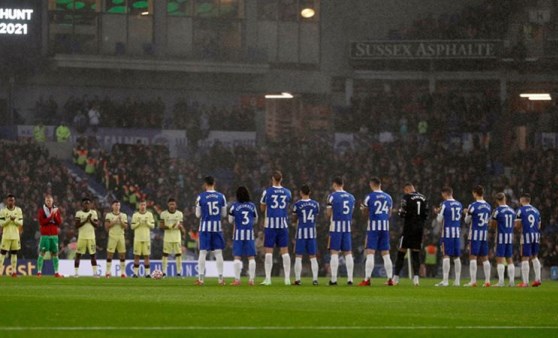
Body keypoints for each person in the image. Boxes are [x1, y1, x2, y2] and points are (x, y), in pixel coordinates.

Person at [358, 177, 394, 286]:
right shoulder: (389, 197)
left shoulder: (369, 197)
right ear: (380, 184)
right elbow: (390, 214)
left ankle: (367, 279)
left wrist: (362, 210)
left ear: (371, 184)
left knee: (370, 252)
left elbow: (365, 214)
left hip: (373, 227)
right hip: (385, 227)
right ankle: (389, 279)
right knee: (386, 253)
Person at [260, 171, 292, 286]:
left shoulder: (267, 192)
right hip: (283, 224)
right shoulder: (287, 192)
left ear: (272, 179)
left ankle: (268, 279)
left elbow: (262, 209)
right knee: (284, 251)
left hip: (270, 225)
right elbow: (287, 205)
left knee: (269, 250)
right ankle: (287, 279)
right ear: (281, 179)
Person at [393, 183, 429, 286]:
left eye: (405, 190)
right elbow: (426, 214)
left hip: (408, 228)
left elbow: (402, 213)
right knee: (415, 254)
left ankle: (395, 278)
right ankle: (416, 279)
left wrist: (399, 212)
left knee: (401, 252)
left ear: (407, 189)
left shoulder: (407, 197)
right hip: (419, 229)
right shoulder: (423, 197)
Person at [195, 176, 227, 285]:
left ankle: (201, 279)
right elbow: (224, 214)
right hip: (217, 228)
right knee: (218, 252)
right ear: (214, 183)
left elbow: (197, 214)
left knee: (203, 252)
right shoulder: (221, 196)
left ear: (205, 184)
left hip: (204, 228)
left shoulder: (201, 197)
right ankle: (220, 279)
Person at [327, 176, 355, 286]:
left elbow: (329, 213)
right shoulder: (351, 197)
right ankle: (350, 279)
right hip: (347, 228)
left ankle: (333, 279)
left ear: (334, 184)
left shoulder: (332, 196)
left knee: (334, 252)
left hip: (335, 228)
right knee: (348, 253)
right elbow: (351, 213)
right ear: (342, 184)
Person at [228, 186, 258, 286]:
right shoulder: (252, 206)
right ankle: (251, 280)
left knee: (237, 257)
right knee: (251, 257)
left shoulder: (234, 206)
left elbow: (230, 220)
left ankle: (237, 280)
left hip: (238, 234)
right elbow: (256, 219)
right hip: (249, 234)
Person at [463, 185, 492, 287]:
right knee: (485, 258)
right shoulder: (488, 206)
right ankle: (487, 281)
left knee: (473, 257)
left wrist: (466, 213)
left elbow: (467, 221)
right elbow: (489, 221)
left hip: (475, 234)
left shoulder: (473, 205)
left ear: (475, 193)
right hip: (484, 234)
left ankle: (473, 281)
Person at [291, 184, 320, 286]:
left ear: (301, 193)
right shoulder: (316, 204)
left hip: (301, 233)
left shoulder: (297, 204)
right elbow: (316, 217)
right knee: (313, 257)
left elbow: (294, 219)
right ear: (310, 193)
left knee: (298, 256)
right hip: (312, 233)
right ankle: (315, 280)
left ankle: (298, 280)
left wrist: (295, 220)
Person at [434, 187, 463, 287]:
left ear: (445, 193)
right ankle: (457, 281)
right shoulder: (459, 204)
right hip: (457, 233)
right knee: (456, 256)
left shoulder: (444, 204)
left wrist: (438, 213)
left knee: (446, 255)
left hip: (447, 233)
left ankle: (445, 281)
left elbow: (439, 220)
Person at [515, 193, 542, 287]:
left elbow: (517, 226)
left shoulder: (520, 210)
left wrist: (519, 227)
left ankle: (525, 282)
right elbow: (539, 225)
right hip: (536, 235)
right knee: (535, 256)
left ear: (522, 200)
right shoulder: (536, 211)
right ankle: (538, 279)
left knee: (525, 258)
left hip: (526, 235)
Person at [490, 192, 516, 287]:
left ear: (497, 201)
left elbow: (493, 225)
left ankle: (501, 282)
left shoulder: (497, 211)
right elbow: (515, 224)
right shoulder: (512, 211)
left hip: (501, 237)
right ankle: (512, 281)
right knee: (509, 259)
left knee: (500, 259)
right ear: (505, 198)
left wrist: (491, 224)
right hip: (509, 237)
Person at [37, 195, 63, 277]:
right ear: (45, 201)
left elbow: (59, 222)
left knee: (55, 253)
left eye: (50, 201)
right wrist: (50, 217)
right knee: (42, 253)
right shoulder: (41, 211)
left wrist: (54, 216)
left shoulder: (56, 210)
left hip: (54, 235)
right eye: (47, 201)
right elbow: (42, 222)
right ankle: (39, 272)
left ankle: (56, 272)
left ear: (52, 201)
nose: (49, 202)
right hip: (45, 235)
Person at [74, 197, 99, 277]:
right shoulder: (78, 213)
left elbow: (96, 225)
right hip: (82, 237)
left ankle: (95, 273)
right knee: (78, 255)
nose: (87, 205)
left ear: (90, 204)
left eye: (88, 203)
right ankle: (76, 273)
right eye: (85, 203)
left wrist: (90, 220)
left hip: (91, 237)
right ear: (82, 205)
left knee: (93, 255)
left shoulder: (94, 213)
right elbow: (77, 226)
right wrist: (85, 220)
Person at [160, 198, 185, 277]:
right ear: (168, 205)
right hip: (167, 238)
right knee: (165, 254)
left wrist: (181, 228)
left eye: (173, 204)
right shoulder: (163, 214)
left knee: (178, 255)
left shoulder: (179, 214)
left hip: (177, 238)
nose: (172, 206)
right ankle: (164, 272)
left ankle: (179, 273)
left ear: (176, 205)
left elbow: (182, 228)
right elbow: (161, 226)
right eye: (170, 204)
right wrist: (170, 226)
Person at [0, 194, 23, 277]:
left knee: (14, 253)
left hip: (15, 236)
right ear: (7, 201)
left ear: (14, 201)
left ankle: (14, 272)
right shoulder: (3, 211)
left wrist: (14, 220)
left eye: (12, 200)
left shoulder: (18, 210)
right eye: (9, 200)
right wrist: (9, 219)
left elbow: (21, 223)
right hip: (6, 235)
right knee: (2, 253)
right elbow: (1, 223)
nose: (11, 202)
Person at [104, 200, 128, 278]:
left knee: (122, 255)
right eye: (116, 205)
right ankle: (108, 272)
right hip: (112, 236)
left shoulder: (124, 215)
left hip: (121, 236)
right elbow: (107, 227)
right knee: (110, 254)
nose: (117, 206)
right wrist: (114, 221)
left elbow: (126, 227)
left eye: (118, 205)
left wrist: (120, 221)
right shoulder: (108, 215)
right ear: (112, 206)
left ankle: (123, 273)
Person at [131, 200, 155, 278]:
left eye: (144, 205)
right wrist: (138, 223)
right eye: (141, 205)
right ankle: (135, 273)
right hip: (137, 238)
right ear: (139, 206)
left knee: (146, 256)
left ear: (146, 206)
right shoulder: (135, 215)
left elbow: (153, 226)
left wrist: (147, 222)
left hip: (146, 239)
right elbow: (132, 227)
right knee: (136, 256)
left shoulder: (149, 214)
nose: (142, 206)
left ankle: (147, 274)